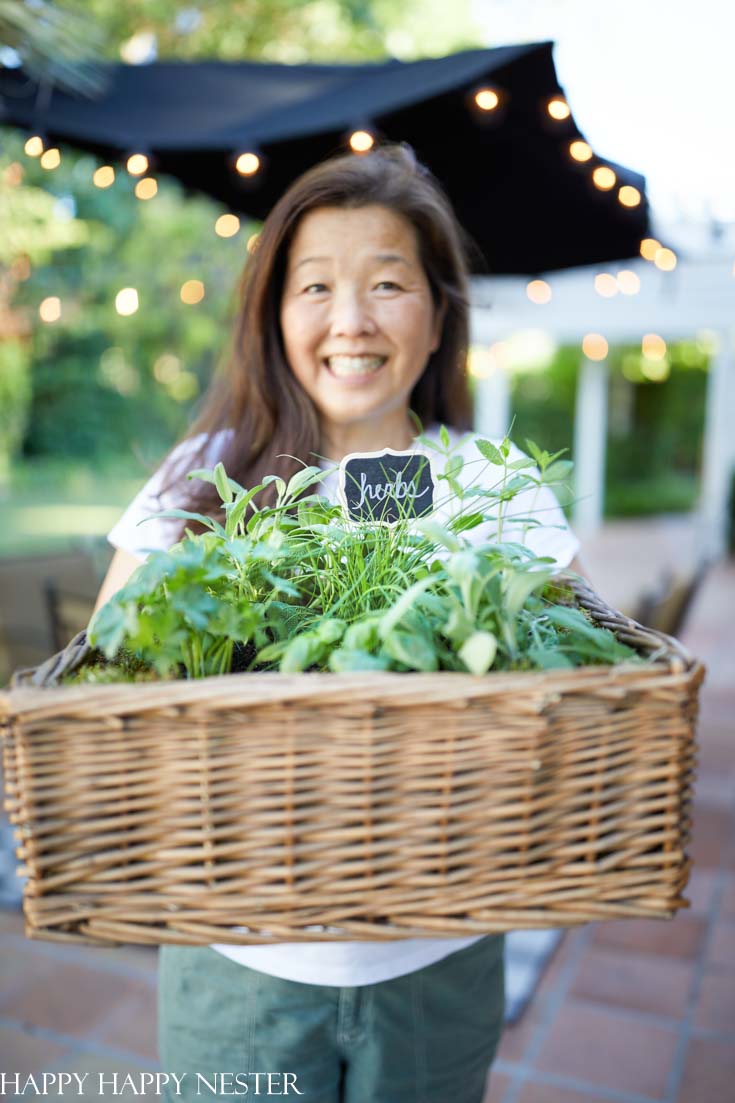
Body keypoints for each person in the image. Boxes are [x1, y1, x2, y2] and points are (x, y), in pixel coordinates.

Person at [95, 142, 581, 1102]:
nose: (350, 320)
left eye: (388, 284)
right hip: (236, 960)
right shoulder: (208, 469)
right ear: (274, 315)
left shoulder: (493, 486)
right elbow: (106, 667)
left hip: (436, 963)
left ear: (439, 315)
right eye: (314, 286)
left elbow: (581, 684)